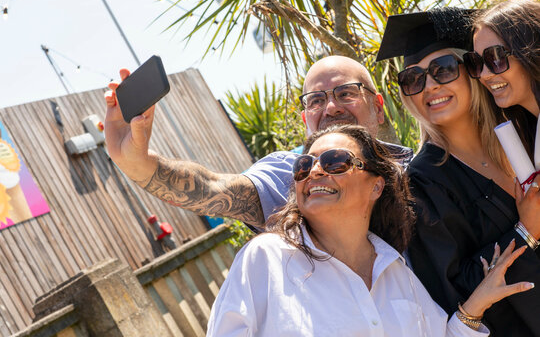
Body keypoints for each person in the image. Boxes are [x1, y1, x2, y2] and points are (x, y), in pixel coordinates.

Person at [207, 124, 533, 336]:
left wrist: (474, 307)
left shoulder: (397, 270)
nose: (315, 171)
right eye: (303, 165)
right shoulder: (266, 259)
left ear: (376, 186)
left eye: (336, 162)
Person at [376, 7, 540, 336]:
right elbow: (451, 291)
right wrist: (525, 233)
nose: (430, 85)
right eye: (413, 79)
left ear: (471, 70)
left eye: (444, 68)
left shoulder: (522, 129)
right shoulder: (421, 184)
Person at [104, 56, 412, 229]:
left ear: (379, 107)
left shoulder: (418, 170)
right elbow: (211, 189)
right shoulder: (291, 175)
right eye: (316, 100)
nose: (331, 107)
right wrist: (137, 162)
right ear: (305, 120)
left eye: (346, 93)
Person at [464, 0, 540, 160]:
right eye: (477, 62)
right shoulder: (528, 133)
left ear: (530, 52)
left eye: (496, 57)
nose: (484, 75)